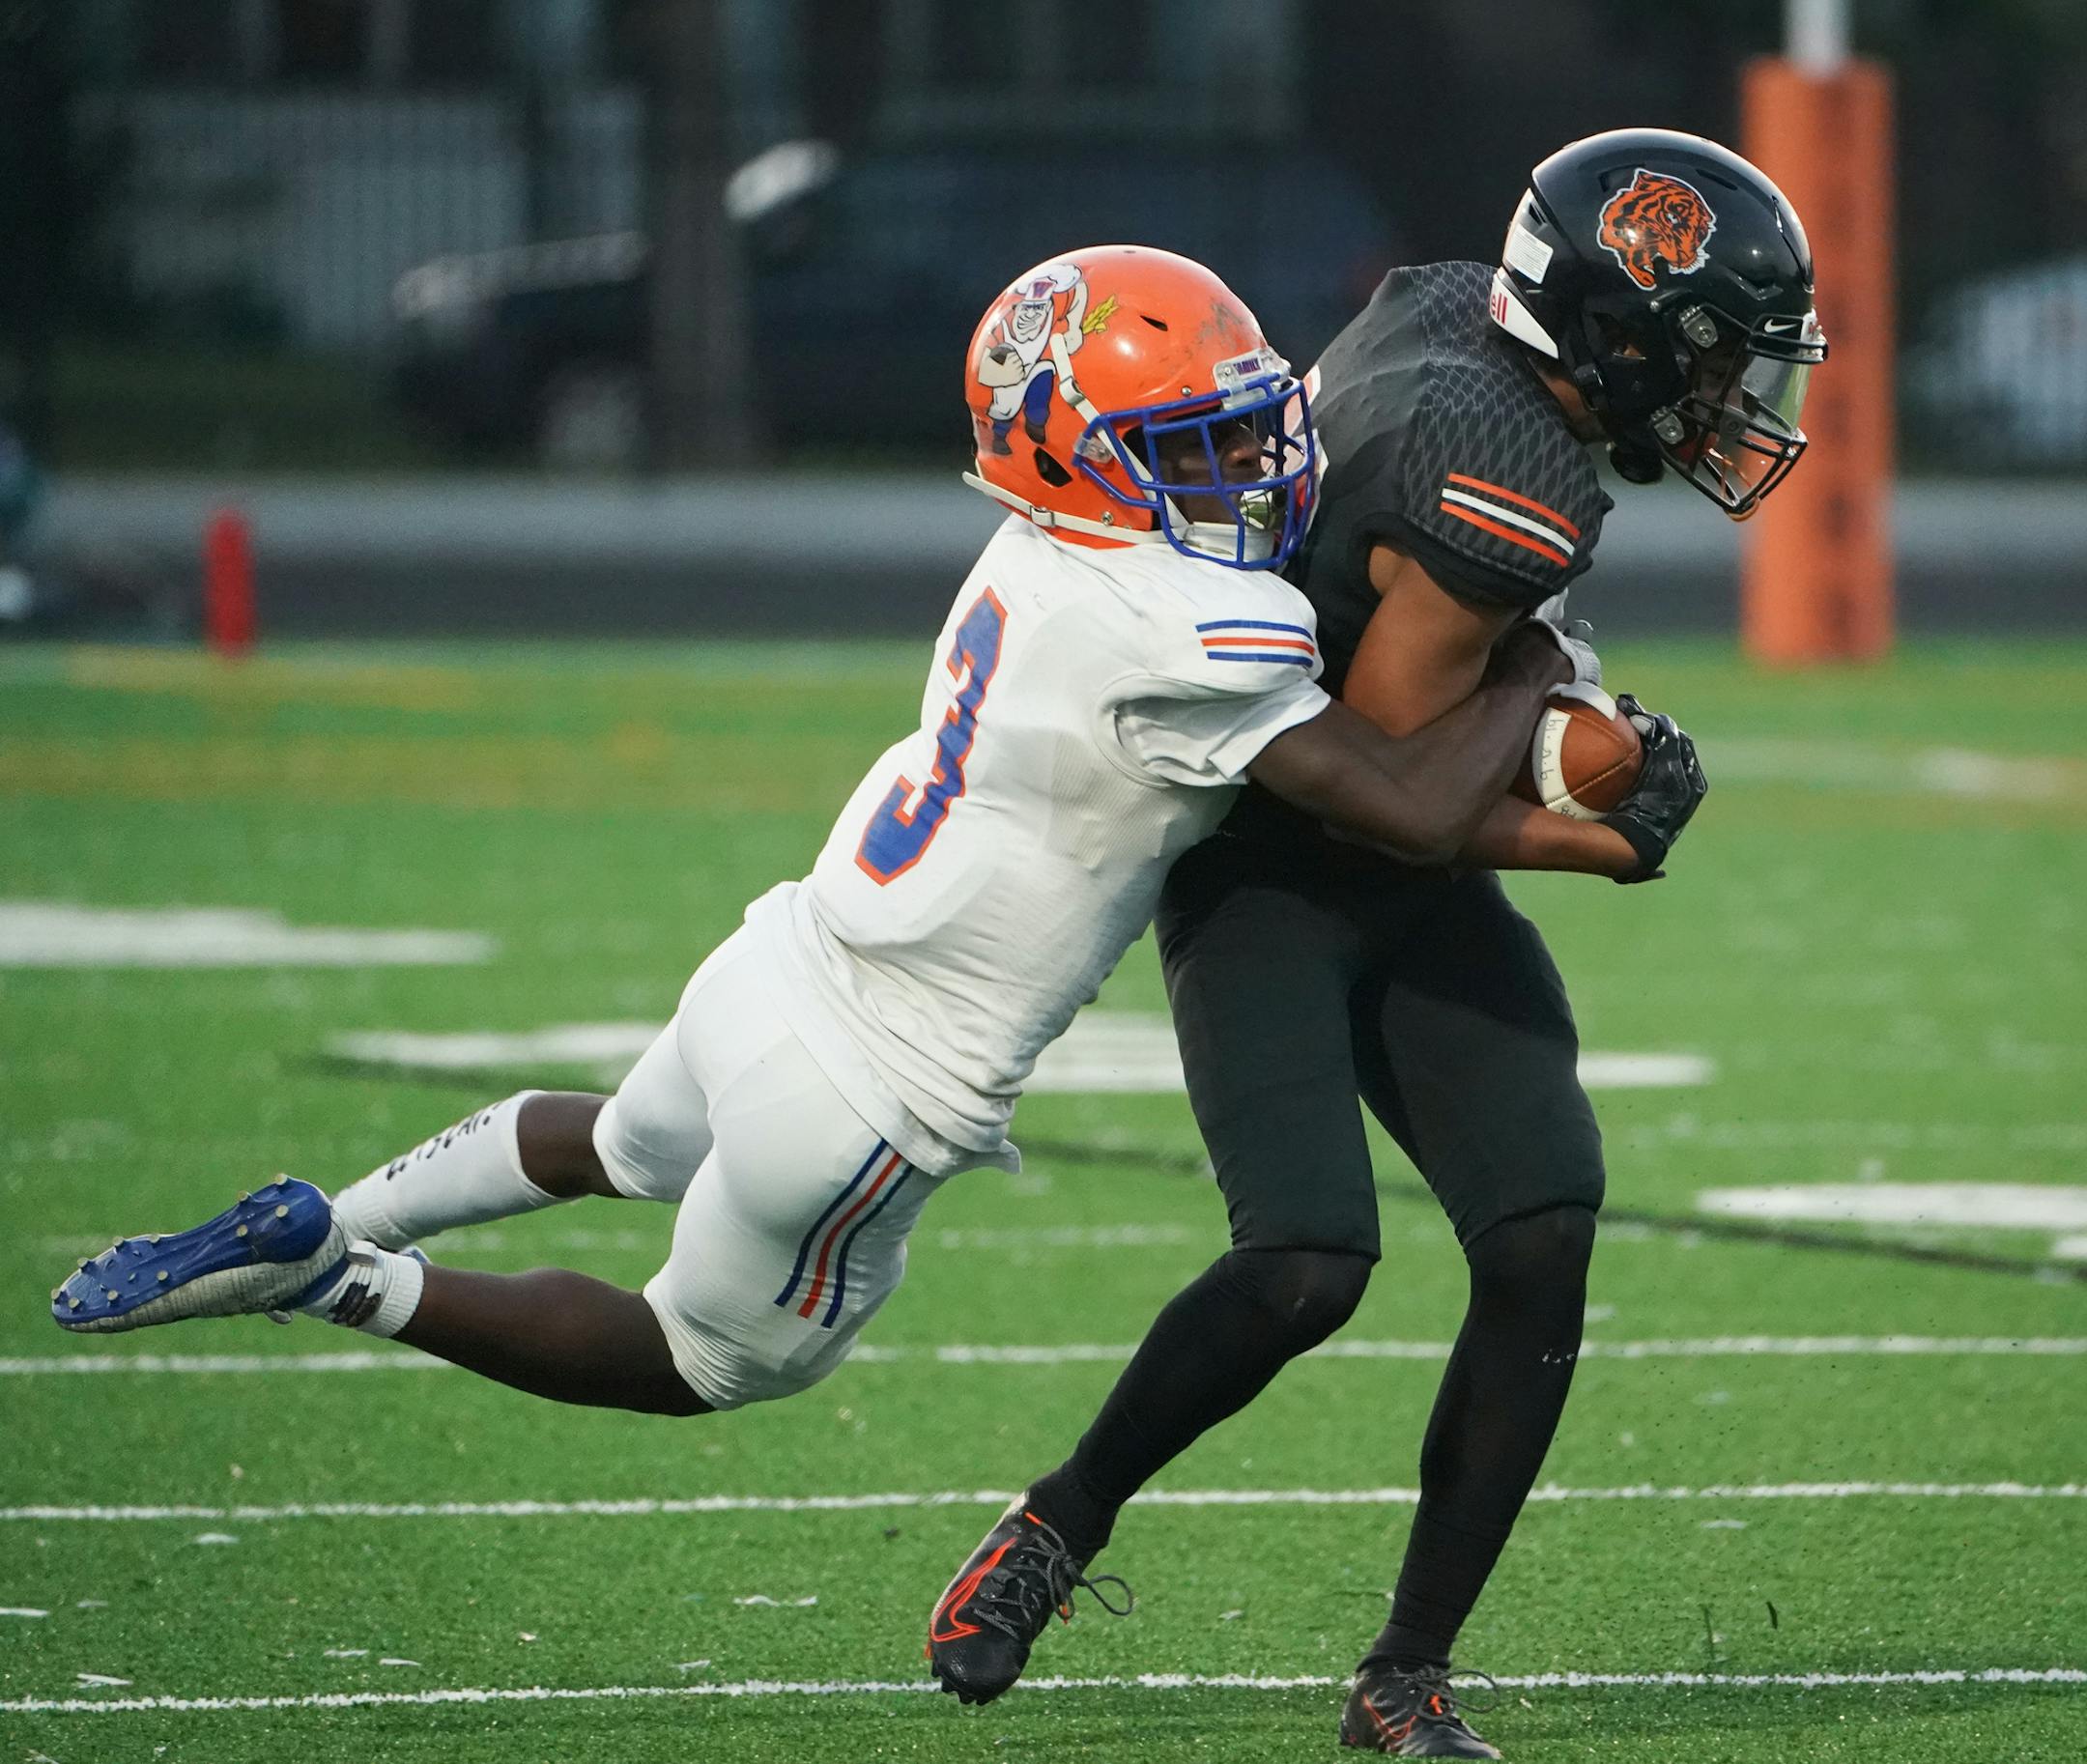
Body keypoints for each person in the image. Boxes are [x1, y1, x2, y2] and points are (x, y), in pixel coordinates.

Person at [50, 247, 1631, 1459]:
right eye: (1198, 448)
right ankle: (337, 1267)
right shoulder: (1200, 626)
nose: (1254, 466)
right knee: (699, 1358)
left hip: (781, 964)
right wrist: (1529, 662)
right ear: (1085, 459)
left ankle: (341, 1205)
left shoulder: (1036, 548)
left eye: (1241, 426)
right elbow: (1414, 810)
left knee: (619, 1140)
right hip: (877, 1089)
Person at [929, 130, 1820, 1758]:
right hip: (1276, 860)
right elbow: (1392, 803)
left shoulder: (1442, 308)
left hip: (1378, 821)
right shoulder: (1505, 493)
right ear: (1620, 337)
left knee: (1544, 1227)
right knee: (1308, 1261)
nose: (1733, 402)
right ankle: (1056, 1524)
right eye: (1711, 362)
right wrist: (1587, 821)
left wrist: (1533, 707)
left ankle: (1406, 1671)